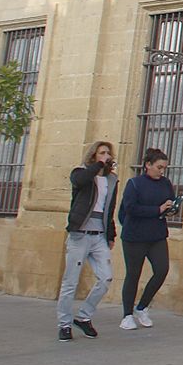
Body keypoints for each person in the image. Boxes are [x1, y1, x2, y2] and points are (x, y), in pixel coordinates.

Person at [56, 140, 118, 341]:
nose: (106, 155)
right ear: (93, 155)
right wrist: (98, 166)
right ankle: (64, 324)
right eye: (102, 152)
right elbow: (79, 182)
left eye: (108, 153)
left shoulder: (111, 180)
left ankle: (84, 316)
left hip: (98, 235)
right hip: (80, 234)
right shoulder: (81, 173)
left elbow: (109, 208)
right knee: (70, 281)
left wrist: (110, 234)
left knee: (106, 277)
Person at [117, 147, 178, 330]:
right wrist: (156, 210)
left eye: (164, 168)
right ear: (147, 165)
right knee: (133, 274)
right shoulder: (134, 184)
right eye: (159, 167)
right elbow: (130, 208)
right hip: (135, 236)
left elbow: (169, 201)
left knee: (162, 270)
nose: (161, 171)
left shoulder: (166, 183)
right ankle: (127, 315)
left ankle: (142, 306)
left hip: (157, 235)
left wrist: (170, 209)